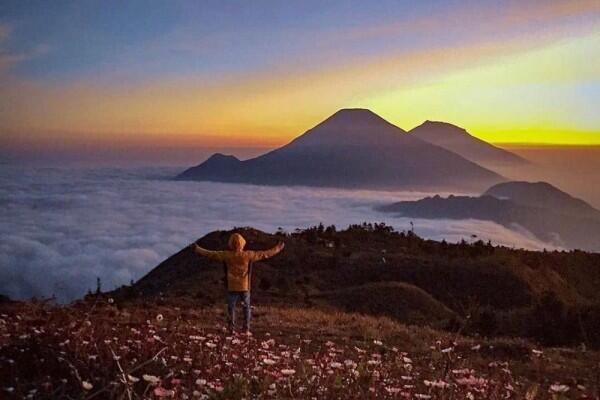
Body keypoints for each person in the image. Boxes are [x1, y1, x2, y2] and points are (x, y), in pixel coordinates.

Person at [189, 233, 284, 334]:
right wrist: (278, 248)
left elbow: (211, 253)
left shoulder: (226, 255)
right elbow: (265, 254)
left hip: (232, 286)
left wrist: (197, 249)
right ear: (243, 243)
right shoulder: (248, 255)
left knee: (231, 308)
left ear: (231, 243)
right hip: (244, 286)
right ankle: (246, 329)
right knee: (246, 307)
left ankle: (231, 329)